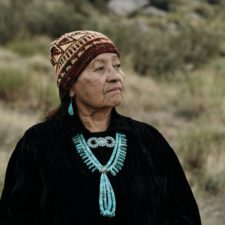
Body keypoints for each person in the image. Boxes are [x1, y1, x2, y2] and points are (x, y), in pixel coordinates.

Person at [0, 30, 201, 225]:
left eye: (117, 65)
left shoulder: (147, 139)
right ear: (70, 86)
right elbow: (15, 217)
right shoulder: (39, 143)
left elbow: (183, 213)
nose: (115, 76)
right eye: (99, 68)